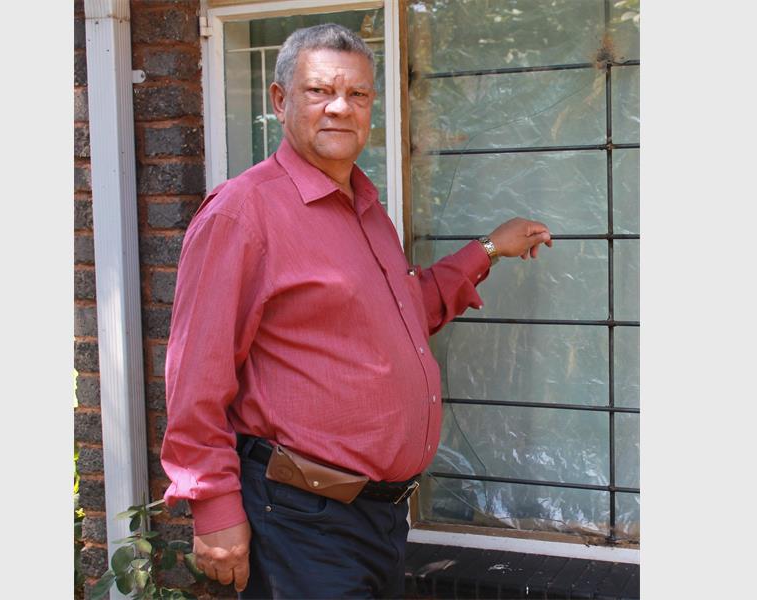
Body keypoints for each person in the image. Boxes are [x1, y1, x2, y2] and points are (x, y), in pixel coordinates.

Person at [160, 23, 552, 599]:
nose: (340, 107)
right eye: (319, 91)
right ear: (279, 101)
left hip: (379, 520)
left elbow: (401, 317)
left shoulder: (366, 208)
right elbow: (197, 373)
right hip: (299, 520)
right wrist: (213, 506)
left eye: (358, 94)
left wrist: (488, 249)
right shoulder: (243, 214)